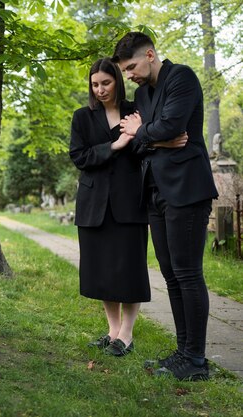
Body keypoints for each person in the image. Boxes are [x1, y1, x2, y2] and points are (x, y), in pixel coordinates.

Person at [113, 32, 219, 381]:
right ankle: (183, 352)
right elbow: (139, 145)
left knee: (188, 274)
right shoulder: (143, 94)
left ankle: (196, 361)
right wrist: (155, 136)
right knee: (171, 276)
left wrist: (146, 130)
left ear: (150, 54)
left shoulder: (182, 77)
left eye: (131, 67)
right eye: (125, 71)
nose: (129, 76)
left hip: (187, 189)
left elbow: (173, 126)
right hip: (155, 193)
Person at [69, 58, 152, 357]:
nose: (100, 89)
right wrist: (115, 145)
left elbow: (146, 150)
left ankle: (127, 335)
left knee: (129, 269)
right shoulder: (82, 117)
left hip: (129, 201)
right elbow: (79, 157)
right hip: (94, 205)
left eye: (106, 83)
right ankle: (112, 331)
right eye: (95, 84)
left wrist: (139, 132)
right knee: (103, 270)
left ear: (117, 80)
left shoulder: (136, 112)